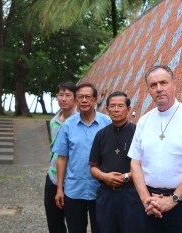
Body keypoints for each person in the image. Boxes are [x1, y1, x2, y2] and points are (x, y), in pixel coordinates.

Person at [128, 65, 182, 233]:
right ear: (149, 90)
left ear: (174, 84)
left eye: (163, 83)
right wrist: (146, 199)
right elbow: (135, 164)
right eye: (153, 85)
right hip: (150, 202)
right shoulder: (144, 121)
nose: (159, 89)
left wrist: (173, 199)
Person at [52, 83, 112, 233]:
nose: (84, 100)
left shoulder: (107, 123)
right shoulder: (67, 125)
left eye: (88, 97)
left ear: (95, 99)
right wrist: (60, 189)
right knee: (75, 229)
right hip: (74, 190)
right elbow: (62, 158)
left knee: (102, 229)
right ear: (76, 100)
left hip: (100, 189)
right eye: (80, 97)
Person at [89, 91, 141, 233]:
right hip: (106, 194)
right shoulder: (101, 135)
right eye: (112, 106)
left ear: (129, 109)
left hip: (130, 193)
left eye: (120, 106)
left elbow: (145, 166)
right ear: (107, 109)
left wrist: (125, 177)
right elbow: (93, 167)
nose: (116, 110)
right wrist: (105, 177)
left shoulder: (138, 133)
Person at [44, 82, 77, 233]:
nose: (63, 99)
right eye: (60, 95)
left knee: (74, 222)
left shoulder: (80, 121)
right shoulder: (53, 121)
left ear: (75, 99)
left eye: (68, 95)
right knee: (54, 221)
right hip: (52, 177)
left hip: (72, 180)